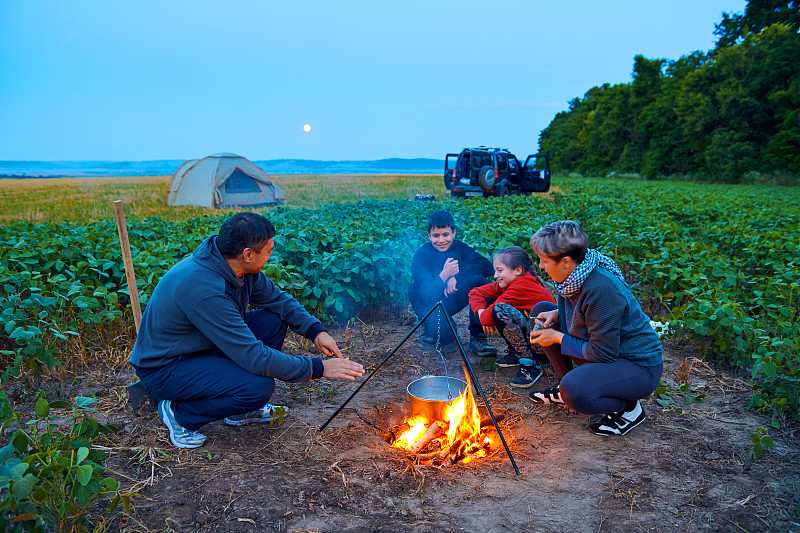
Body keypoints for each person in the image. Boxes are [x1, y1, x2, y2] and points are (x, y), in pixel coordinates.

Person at [129, 212, 364, 449]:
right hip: (167, 367)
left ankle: (242, 412)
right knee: (257, 388)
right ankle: (179, 414)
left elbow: (279, 301)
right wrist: (319, 368)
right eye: (268, 251)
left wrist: (315, 331)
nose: (271, 256)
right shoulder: (206, 290)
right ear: (248, 254)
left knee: (273, 320)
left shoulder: (236, 268)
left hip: (201, 344)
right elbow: (254, 357)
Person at [527, 221, 663, 436]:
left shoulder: (601, 289)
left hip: (637, 366)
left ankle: (628, 409)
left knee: (576, 391)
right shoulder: (576, 273)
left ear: (565, 262)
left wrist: (558, 338)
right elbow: (583, 315)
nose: (540, 265)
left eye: (543, 260)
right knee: (543, 309)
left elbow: (603, 353)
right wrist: (557, 314)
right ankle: (566, 386)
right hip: (608, 352)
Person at [407, 210, 496, 356]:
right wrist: (444, 275)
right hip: (427, 302)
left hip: (448, 298)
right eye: (436, 235)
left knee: (479, 281)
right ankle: (426, 323)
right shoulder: (421, 255)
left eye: (445, 234)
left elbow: (487, 266)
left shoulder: (459, 247)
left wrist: (456, 275)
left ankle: (477, 338)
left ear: (453, 233)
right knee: (447, 339)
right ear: (429, 235)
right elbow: (426, 296)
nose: (441, 240)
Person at [468, 246, 556, 388]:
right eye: (496, 270)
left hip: (547, 347)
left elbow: (487, 317)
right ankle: (516, 354)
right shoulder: (511, 282)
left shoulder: (522, 285)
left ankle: (531, 363)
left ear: (517, 270)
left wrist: (485, 316)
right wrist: (481, 311)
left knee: (500, 310)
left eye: (500, 270)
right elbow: (475, 292)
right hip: (537, 338)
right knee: (499, 310)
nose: (495, 275)